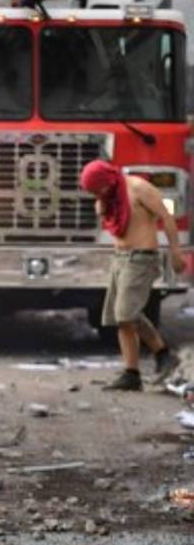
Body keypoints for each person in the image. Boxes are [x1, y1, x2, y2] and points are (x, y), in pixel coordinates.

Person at [81, 160, 185, 391]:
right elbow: (115, 223)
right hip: (120, 259)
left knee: (126, 313)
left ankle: (163, 354)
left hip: (141, 258)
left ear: (108, 180)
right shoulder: (109, 196)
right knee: (120, 319)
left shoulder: (139, 188)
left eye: (99, 189)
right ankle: (131, 373)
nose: (98, 194)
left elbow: (166, 217)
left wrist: (176, 252)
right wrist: (102, 204)